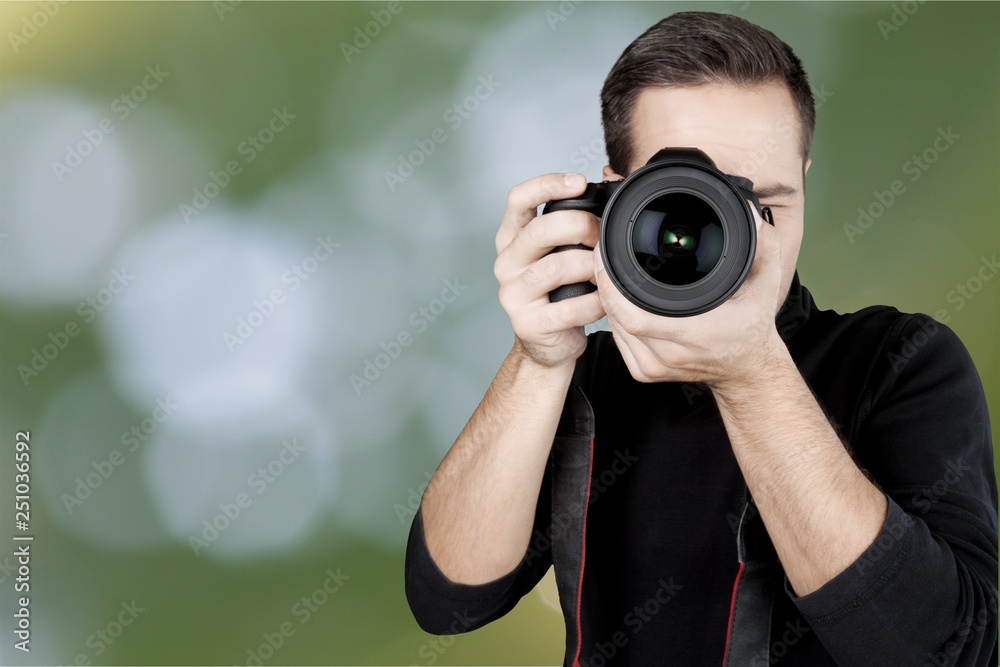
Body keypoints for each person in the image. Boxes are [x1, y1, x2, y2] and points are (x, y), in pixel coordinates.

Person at [404, 11, 998, 666]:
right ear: (615, 196)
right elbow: (449, 599)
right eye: (687, 206)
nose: (729, 245)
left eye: (764, 207)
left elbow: (947, 653)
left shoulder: (898, 360)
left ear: (805, 179)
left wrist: (752, 371)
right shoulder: (585, 376)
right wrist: (538, 358)